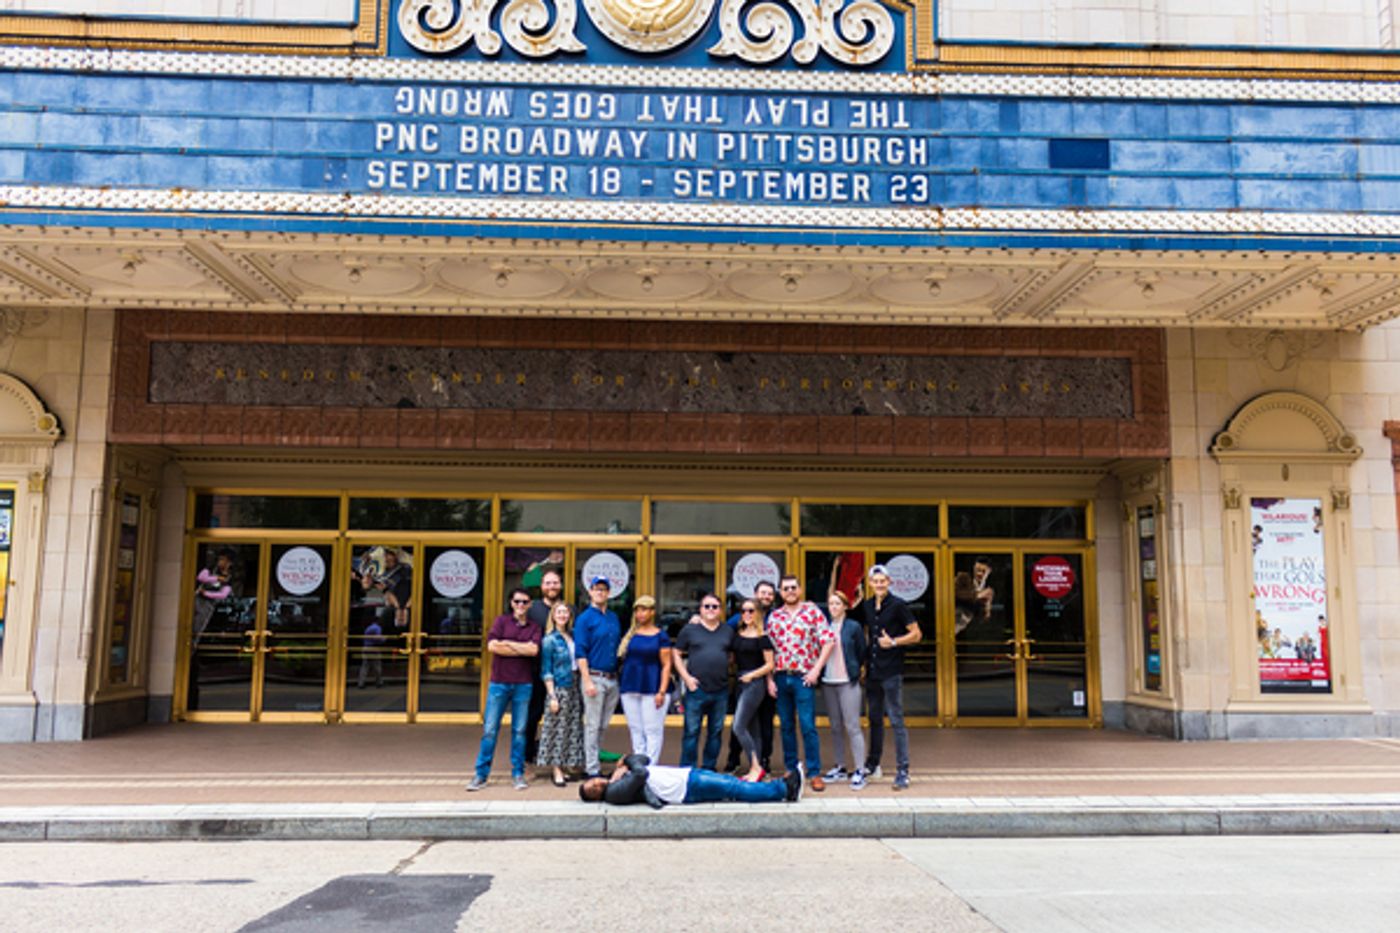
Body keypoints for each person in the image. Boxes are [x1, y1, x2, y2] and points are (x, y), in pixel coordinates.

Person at [468, 587, 543, 792]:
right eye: (517, 601)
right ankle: (481, 775)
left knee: (520, 731)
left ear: (529, 605)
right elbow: (492, 646)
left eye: (525, 602)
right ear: (511, 603)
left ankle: (518, 774)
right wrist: (520, 646)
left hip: (523, 684)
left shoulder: (535, 627)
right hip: (499, 683)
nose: (521, 605)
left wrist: (507, 643)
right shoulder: (501, 621)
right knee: (490, 730)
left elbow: (533, 650)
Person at [766, 574, 833, 791]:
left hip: (803, 677)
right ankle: (791, 769)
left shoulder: (813, 612)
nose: (790, 591)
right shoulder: (774, 617)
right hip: (780, 676)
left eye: (793, 587)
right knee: (786, 726)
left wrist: (816, 670)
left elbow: (828, 641)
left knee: (807, 726)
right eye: (785, 588)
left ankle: (814, 772)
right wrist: (769, 679)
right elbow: (767, 649)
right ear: (780, 592)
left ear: (800, 589)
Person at [858, 564, 921, 791]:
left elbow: (916, 634)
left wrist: (893, 641)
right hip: (873, 671)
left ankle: (903, 770)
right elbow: (864, 633)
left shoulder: (898, 605)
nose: (879, 584)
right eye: (875, 581)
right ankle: (872, 763)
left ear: (889, 582)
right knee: (874, 719)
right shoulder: (866, 605)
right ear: (871, 583)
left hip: (891, 671)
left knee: (896, 720)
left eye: (883, 581)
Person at [578, 753, 802, 807]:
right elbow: (641, 772)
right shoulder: (615, 794)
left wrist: (627, 762)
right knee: (735, 787)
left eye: (593, 782)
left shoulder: (615, 779)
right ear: (596, 797)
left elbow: (643, 759)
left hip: (684, 777)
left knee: (733, 785)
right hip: (684, 788)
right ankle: (783, 790)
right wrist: (627, 763)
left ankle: (781, 788)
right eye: (593, 790)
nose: (597, 784)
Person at [673, 592, 736, 770]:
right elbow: (676, 654)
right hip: (696, 689)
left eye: (714, 607)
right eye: (706, 606)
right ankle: (688, 771)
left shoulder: (727, 631)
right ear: (700, 609)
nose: (710, 610)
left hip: (721, 690)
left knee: (715, 733)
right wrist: (686, 678)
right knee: (691, 732)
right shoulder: (689, 630)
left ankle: (709, 769)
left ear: (720, 610)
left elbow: (732, 655)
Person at [723, 579, 778, 773]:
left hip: (755, 683)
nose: (747, 614)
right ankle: (745, 763)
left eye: (750, 611)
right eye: (744, 611)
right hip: (739, 682)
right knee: (751, 727)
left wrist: (755, 676)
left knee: (742, 725)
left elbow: (770, 663)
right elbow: (721, 633)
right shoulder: (737, 630)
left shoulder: (764, 635)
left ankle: (759, 765)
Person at [821, 590, 869, 790]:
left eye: (837, 604)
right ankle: (840, 766)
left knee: (852, 726)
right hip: (828, 681)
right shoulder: (823, 626)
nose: (833, 607)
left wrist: (856, 670)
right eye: (831, 604)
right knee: (835, 727)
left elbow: (861, 651)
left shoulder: (853, 627)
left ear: (845, 607)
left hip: (847, 681)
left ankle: (859, 769)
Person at [575, 575, 623, 777]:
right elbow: (580, 652)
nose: (600, 592)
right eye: (596, 588)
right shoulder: (585, 618)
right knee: (593, 725)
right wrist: (586, 680)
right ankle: (592, 769)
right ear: (590, 591)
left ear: (609, 593)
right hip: (594, 677)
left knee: (603, 725)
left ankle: (595, 762)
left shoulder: (613, 617)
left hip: (612, 678)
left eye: (603, 589)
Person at [618, 594, 672, 763]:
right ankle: (639, 765)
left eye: (644, 610)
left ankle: (651, 767)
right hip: (630, 685)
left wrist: (662, 691)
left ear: (652, 612)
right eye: (637, 610)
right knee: (635, 729)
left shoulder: (661, 636)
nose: (640, 614)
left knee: (652, 729)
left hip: (653, 686)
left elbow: (667, 665)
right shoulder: (631, 634)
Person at [537, 601, 585, 787]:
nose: (563, 615)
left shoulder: (572, 636)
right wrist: (552, 696)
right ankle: (556, 769)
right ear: (553, 615)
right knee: (555, 730)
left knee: (570, 729)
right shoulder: (549, 640)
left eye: (565, 612)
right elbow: (546, 669)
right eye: (559, 612)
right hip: (559, 687)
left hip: (574, 686)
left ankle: (565, 766)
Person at [524, 568, 565, 766]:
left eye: (555, 582)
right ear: (541, 586)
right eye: (548, 583)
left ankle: (559, 754)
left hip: (563, 674)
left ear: (561, 585)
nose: (552, 586)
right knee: (533, 713)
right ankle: (527, 754)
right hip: (535, 672)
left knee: (561, 715)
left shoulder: (568, 609)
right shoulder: (532, 610)